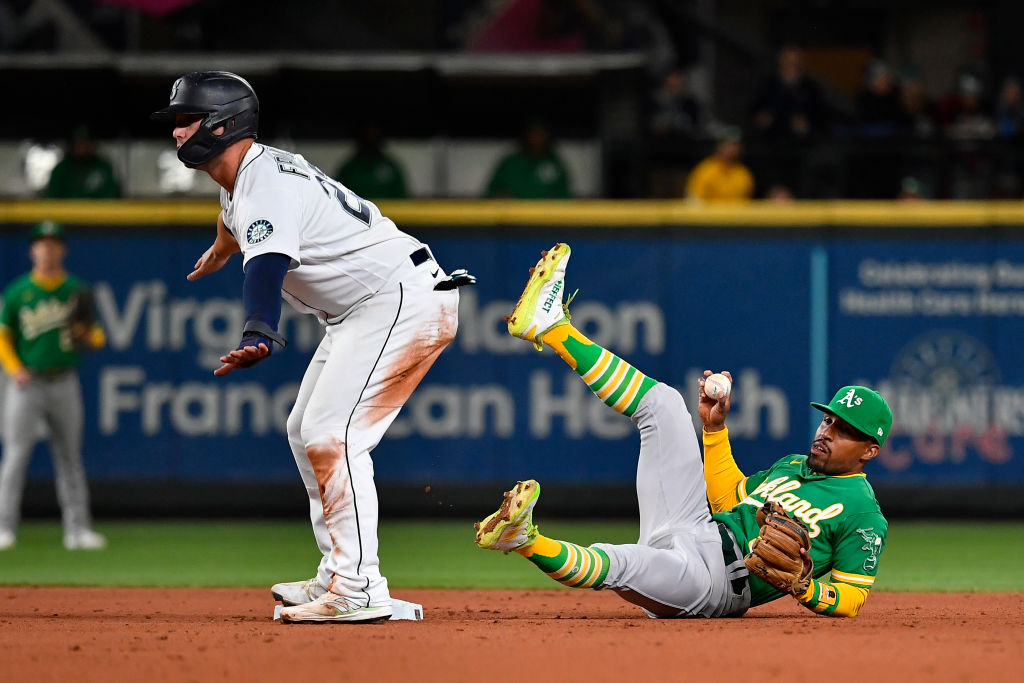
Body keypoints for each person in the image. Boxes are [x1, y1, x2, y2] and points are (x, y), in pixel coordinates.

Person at [151, 71, 473, 624]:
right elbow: (238, 223)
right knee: (304, 432)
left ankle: (360, 589)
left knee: (334, 435)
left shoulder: (264, 183)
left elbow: (269, 262)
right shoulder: (247, 180)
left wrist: (259, 330)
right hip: (367, 309)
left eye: (188, 120)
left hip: (399, 298)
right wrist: (221, 247)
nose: (178, 132)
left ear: (224, 123)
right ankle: (337, 573)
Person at [476, 243, 891, 618]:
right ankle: (550, 328)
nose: (827, 431)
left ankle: (523, 539)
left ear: (869, 450)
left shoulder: (863, 512)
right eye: (828, 420)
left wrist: (806, 587)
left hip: (712, 584)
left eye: (844, 430)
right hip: (697, 526)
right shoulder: (792, 465)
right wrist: (715, 430)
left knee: (622, 563)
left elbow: (851, 598)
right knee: (665, 404)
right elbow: (728, 497)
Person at [0, 221, 107, 551]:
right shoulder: (19, 292)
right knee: (15, 456)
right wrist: (15, 369)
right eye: (41, 244)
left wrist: (85, 335)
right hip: (27, 382)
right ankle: (4, 529)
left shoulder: (75, 289)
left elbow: (98, 337)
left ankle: (77, 531)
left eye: (53, 243)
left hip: (64, 381)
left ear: (62, 249)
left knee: (69, 457)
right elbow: (3, 338)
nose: (47, 249)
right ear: (33, 250)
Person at [486, 118, 572, 199]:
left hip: (544, 213)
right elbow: (492, 192)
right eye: (533, 133)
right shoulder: (511, 162)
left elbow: (564, 196)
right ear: (526, 135)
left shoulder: (555, 163)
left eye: (540, 133)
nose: (536, 138)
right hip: (512, 213)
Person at [335, 121, 409, 200]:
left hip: (387, 212)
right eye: (367, 134)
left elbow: (402, 200)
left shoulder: (391, 167)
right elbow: (337, 199)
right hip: (356, 212)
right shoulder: (348, 169)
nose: (371, 137)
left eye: (374, 134)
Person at [44, 125, 121, 199]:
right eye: (78, 143)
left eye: (85, 142)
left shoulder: (103, 167)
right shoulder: (60, 170)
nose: (82, 147)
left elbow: (111, 196)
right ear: (71, 144)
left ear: (91, 144)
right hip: (67, 212)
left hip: (98, 212)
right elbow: (52, 198)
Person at [684, 127, 754, 202]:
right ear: (719, 146)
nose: (732, 149)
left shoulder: (743, 173)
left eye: (735, 145)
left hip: (735, 213)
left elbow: (747, 203)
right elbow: (693, 200)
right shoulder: (705, 170)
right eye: (728, 144)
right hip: (709, 213)